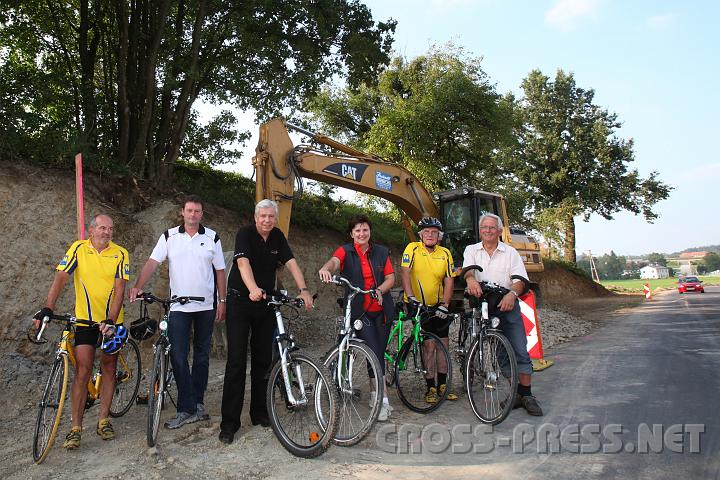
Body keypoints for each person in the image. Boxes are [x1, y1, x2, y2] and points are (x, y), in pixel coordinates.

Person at [219, 199, 314, 445]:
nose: (267, 220)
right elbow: (242, 263)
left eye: (271, 216)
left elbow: (291, 263)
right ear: (255, 216)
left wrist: (303, 289)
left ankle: (259, 413)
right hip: (241, 301)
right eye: (263, 216)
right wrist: (252, 288)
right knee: (237, 362)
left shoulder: (278, 237)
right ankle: (229, 423)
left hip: (265, 303)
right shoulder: (245, 234)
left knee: (263, 361)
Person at [129, 195, 227, 429]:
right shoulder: (169, 236)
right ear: (182, 212)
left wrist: (222, 301)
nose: (193, 215)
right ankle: (187, 407)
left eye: (197, 211)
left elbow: (221, 271)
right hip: (179, 307)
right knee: (179, 356)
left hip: (206, 306)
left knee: (202, 356)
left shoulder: (212, 237)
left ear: (202, 214)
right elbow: (153, 262)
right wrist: (138, 286)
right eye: (189, 211)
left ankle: (197, 403)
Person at [33, 214, 130, 449]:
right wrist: (48, 307)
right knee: (82, 371)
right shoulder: (78, 249)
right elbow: (61, 277)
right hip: (85, 320)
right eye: (102, 228)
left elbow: (119, 291)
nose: (107, 232)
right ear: (91, 230)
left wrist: (110, 319)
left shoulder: (120, 253)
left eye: (110, 229)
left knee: (109, 367)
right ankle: (75, 427)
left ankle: (103, 419)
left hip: (110, 321)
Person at [462, 213, 543, 416]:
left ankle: (527, 394)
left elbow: (520, 279)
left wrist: (512, 294)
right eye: (484, 228)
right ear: (480, 231)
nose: (488, 231)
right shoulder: (471, 250)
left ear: (499, 231)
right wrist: (471, 280)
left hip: (507, 302)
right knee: (500, 351)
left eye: (492, 228)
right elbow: (468, 271)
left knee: (519, 349)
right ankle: (516, 392)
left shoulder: (510, 252)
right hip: (485, 305)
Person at [318, 214, 396, 422]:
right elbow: (334, 262)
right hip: (360, 310)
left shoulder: (380, 251)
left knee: (379, 351)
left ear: (370, 231)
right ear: (351, 233)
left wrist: (379, 290)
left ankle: (375, 395)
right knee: (373, 351)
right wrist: (326, 269)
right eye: (357, 230)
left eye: (365, 230)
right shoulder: (346, 251)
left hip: (382, 309)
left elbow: (390, 278)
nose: (361, 234)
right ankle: (383, 400)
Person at [399, 217, 458, 404]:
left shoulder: (445, 253)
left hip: (439, 305)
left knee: (443, 344)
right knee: (429, 345)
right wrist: (411, 297)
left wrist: (445, 304)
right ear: (421, 235)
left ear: (439, 235)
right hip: (418, 305)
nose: (430, 235)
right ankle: (430, 386)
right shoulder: (413, 248)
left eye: (434, 232)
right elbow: (405, 272)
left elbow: (449, 280)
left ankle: (443, 385)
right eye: (426, 232)